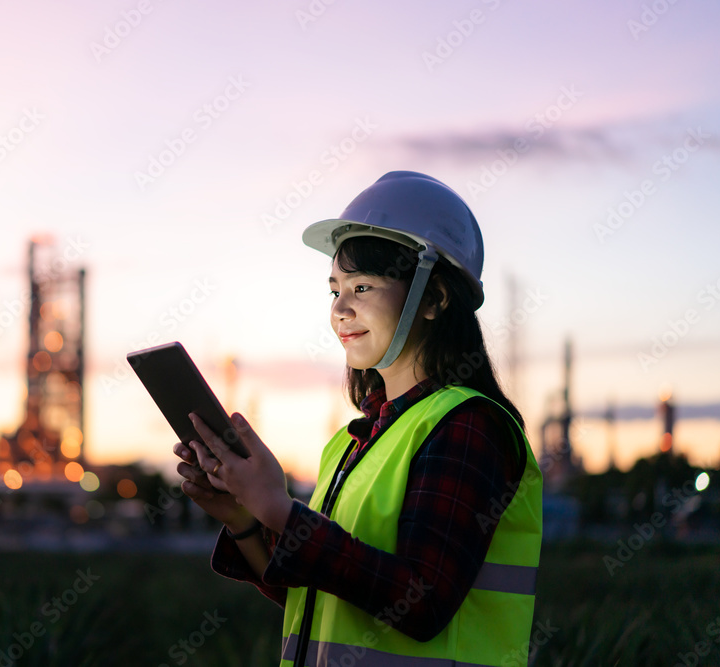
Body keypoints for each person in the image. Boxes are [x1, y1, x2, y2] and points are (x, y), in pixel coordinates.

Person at [172, 171, 543, 667]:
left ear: (434, 299)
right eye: (334, 290)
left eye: (362, 287)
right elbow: (323, 601)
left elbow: (422, 603)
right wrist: (245, 517)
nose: (340, 311)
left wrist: (280, 510)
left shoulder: (468, 426)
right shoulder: (354, 443)